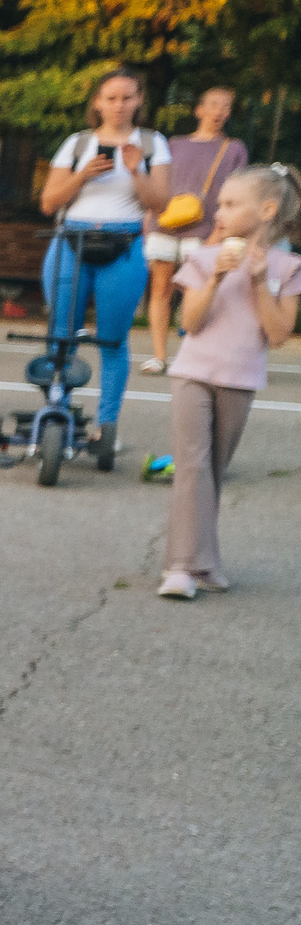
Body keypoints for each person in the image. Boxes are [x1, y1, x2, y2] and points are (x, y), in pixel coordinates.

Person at [156, 164, 299, 601]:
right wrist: (217, 275)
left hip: (240, 381)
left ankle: (205, 562)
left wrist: (258, 282)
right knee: (193, 466)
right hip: (193, 375)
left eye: (231, 204)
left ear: (267, 210)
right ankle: (181, 567)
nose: (219, 210)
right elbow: (191, 323)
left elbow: (277, 335)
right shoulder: (200, 258)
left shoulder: (287, 266)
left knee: (212, 472)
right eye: (220, 202)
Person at [39, 67, 173, 455]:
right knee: (61, 337)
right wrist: (83, 175)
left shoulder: (152, 143)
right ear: (97, 102)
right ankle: (56, 415)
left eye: (127, 97)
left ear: (139, 100)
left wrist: (135, 170)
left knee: (112, 340)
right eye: (111, 98)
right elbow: (49, 201)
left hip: (123, 245)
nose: (119, 106)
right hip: (71, 242)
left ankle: (106, 426)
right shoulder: (78, 143)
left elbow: (160, 204)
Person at [146, 88, 245, 372]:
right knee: (161, 288)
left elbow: (237, 191)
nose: (219, 111)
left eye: (226, 106)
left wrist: (221, 230)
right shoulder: (174, 143)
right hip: (164, 222)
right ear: (199, 109)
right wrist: (147, 218)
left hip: (206, 228)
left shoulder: (234, 148)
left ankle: (193, 355)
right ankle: (159, 355)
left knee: (198, 289)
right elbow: (157, 183)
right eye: (213, 105)